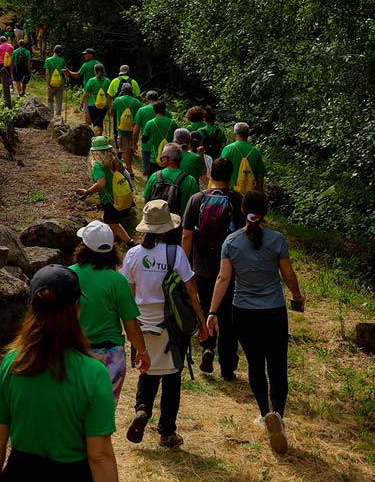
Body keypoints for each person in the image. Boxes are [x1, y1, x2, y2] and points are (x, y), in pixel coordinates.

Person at [0, 264, 119, 482]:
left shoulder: (13, 363)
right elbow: (99, 455)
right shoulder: (94, 373)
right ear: (76, 309)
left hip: (20, 471)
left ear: (32, 310)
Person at [207, 191, 304, 454]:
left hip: (244, 312)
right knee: (278, 365)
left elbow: (222, 279)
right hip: (274, 311)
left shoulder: (231, 242)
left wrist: (212, 311)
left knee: (255, 364)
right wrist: (297, 296)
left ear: (242, 210)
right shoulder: (277, 240)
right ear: (265, 212)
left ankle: (264, 414)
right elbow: (288, 273)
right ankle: (279, 416)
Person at [122, 200, 207, 449]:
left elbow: (129, 291)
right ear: (167, 228)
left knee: (146, 369)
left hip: (141, 323)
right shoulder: (175, 253)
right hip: (170, 323)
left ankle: (142, 408)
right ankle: (167, 432)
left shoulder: (133, 255)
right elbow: (191, 291)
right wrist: (202, 322)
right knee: (171, 378)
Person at [70, 221, 151, 404]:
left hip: (75, 354)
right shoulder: (117, 281)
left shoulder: (68, 276)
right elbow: (131, 326)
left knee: (74, 415)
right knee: (102, 417)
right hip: (110, 358)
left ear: (83, 246)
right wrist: (143, 352)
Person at [181, 157, 243, 379]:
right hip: (230, 270)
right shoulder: (238, 201)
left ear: (210, 175)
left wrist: (184, 264)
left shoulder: (196, 199)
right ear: (231, 176)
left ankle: (207, 347)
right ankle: (227, 366)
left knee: (206, 308)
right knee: (228, 317)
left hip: (202, 267)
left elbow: (187, 234)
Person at [78, 135, 132, 244]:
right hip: (123, 196)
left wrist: (87, 192)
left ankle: (129, 243)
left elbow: (101, 183)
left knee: (112, 224)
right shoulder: (115, 160)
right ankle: (113, 243)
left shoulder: (97, 165)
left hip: (111, 201)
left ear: (94, 151)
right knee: (110, 223)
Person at [143, 142, 198, 221]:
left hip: (156, 224)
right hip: (179, 225)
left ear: (166, 158)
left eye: (162, 157)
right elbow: (194, 207)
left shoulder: (154, 177)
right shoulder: (190, 180)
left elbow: (146, 201)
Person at [221, 122, 266, 192]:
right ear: (247, 135)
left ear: (234, 134)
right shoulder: (255, 151)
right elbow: (260, 174)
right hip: (250, 194)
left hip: (232, 192)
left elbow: (221, 170)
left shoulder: (228, 149)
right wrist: (260, 191)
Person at [111, 81, 142, 169]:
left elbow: (112, 113)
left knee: (124, 150)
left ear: (122, 91)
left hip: (122, 129)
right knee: (132, 147)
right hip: (133, 129)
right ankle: (130, 165)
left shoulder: (118, 100)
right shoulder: (137, 102)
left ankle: (130, 170)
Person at [143, 100, 177, 176]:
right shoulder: (173, 123)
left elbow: (144, 139)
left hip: (154, 158)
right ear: (165, 109)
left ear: (154, 110)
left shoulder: (150, 123)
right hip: (169, 158)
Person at [132, 91, 158, 178]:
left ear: (147, 99)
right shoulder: (164, 110)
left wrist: (134, 142)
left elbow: (136, 130)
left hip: (147, 144)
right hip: (161, 145)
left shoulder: (142, 110)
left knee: (149, 173)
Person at [81, 63, 112, 134]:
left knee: (95, 123)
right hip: (104, 105)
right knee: (100, 121)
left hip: (93, 105)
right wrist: (110, 107)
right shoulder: (108, 81)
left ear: (95, 71)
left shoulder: (91, 81)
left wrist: (81, 103)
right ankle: (100, 136)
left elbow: (86, 94)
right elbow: (109, 95)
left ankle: (97, 138)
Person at [44, 44, 67, 119]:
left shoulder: (48, 60)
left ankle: (51, 117)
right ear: (60, 53)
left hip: (51, 84)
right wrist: (67, 78)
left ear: (54, 50)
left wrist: (48, 85)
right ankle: (58, 119)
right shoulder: (62, 61)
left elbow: (47, 74)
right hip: (60, 83)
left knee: (50, 100)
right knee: (59, 101)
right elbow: (64, 72)